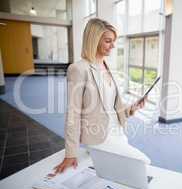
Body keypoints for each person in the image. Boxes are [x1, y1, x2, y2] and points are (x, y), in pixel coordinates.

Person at [54, 18, 147, 174]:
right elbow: (73, 114)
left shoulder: (107, 66)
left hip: (118, 132)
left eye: (113, 41)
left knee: (122, 174)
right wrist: (70, 153)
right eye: (108, 41)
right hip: (99, 137)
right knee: (141, 162)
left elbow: (110, 107)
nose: (113, 46)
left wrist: (132, 108)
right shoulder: (78, 69)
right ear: (94, 40)